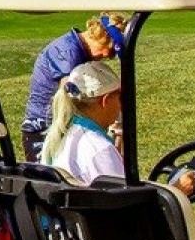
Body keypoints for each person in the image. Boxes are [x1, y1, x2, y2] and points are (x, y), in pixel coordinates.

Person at [42, 60, 195, 240]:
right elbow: (132, 218)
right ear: (106, 100)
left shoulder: (60, 139)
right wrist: (177, 191)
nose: (122, 106)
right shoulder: (98, 149)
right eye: (120, 98)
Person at [21, 13, 127, 160]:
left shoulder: (77, 48)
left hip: (59, 127)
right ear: (101, 37)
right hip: (43, 129)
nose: (105, 56)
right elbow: (69, 97)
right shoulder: (68, 52)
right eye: (108, 51)